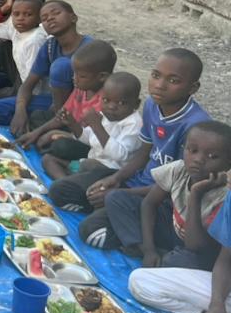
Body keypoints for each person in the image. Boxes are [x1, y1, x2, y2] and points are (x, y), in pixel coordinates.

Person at [49, 47, 210, 215]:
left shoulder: (197, 127)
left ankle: (106, 210)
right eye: (156, 76)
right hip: (137, 180)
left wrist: (122, 193)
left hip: (158, 198)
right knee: (60, 190)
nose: (159, 85)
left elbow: (178, 186)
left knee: (92, 225)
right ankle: (103, 206)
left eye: (173, 80)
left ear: (193, 88)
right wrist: (115, 179)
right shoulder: (152, 105)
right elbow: (144, 154)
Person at [82, 121, 231, 264]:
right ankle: (145, 250)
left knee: (177, 261)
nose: (198, 159)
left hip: (196, 248)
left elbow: (195, 247)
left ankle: (152, 253)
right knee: (114, 198)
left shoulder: (224, 197)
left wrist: (196, 195)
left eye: (212, 156)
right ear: (184, 149)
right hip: (170, 228)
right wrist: (148, 249)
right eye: (192, 151)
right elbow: (149, 204)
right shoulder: (178, 169)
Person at [0, 0, 91, 133]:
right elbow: (27, 85)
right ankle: (40, 123)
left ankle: (54, 126)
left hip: (81, 108)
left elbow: (93, 95)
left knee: (61, 66)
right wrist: (20, 111)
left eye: (56, 13)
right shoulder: (50, 46)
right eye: (44, 18)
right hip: (52, 102)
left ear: (73, 18)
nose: (50, 18)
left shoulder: (90, 48)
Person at [15, 39, 117, 153]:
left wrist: (57, 134)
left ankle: (54, 151)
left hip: (90, 141)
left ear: (102, 77)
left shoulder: (107, 101)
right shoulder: (81, 88)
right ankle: (46, 143)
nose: (74, 79)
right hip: (72, 127)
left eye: (81, 76)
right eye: (74, 73)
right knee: (37, 116)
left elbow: (93, 139)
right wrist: (36, 133)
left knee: (62, 146)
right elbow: (62, 117)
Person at [41, 71, 144, 181]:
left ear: (136, 104)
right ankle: (65, 182)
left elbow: (120, 155)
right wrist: (72, 124)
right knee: (47, 159)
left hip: (112, 171)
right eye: (106, 100)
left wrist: (97, 126)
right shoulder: (105, 115)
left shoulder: (134, 124)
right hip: (90, 162)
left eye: (121, 103)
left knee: (89, 165)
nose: (111, 107)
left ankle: (67, 183)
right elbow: (88, 139)